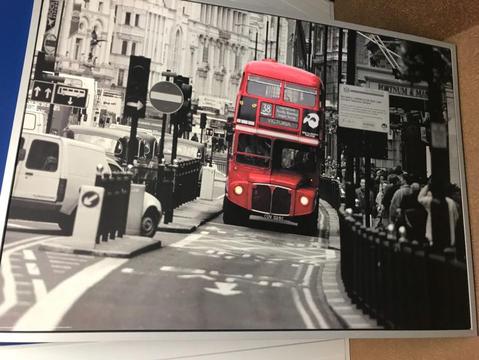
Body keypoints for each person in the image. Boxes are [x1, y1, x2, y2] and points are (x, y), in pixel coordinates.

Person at [417, 182, 459, 250]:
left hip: (433, 239)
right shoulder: (452, 203)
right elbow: (456, 218)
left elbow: (420, 198)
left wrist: (428, 186)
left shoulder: (431, 201)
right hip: (449, 240)